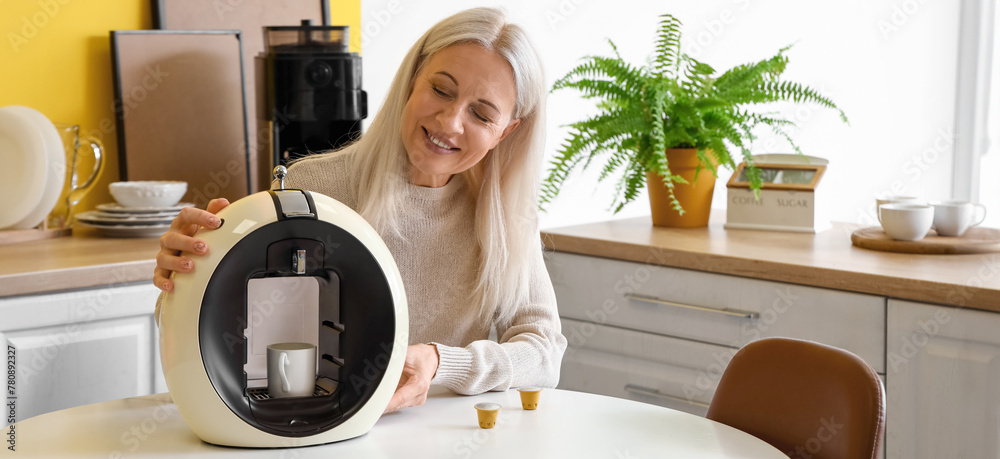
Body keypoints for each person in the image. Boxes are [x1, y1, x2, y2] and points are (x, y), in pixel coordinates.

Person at [152, 7, 566, 414]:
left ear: (506, 132)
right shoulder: (311, 189)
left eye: (481, 113)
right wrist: (187, 281)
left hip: (437, 438)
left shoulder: (504, 219)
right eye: (441, 89)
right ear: (412, 79)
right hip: (312, 430)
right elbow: (210, 331)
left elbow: (545, 352)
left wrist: (440, 363)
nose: (449, 121)